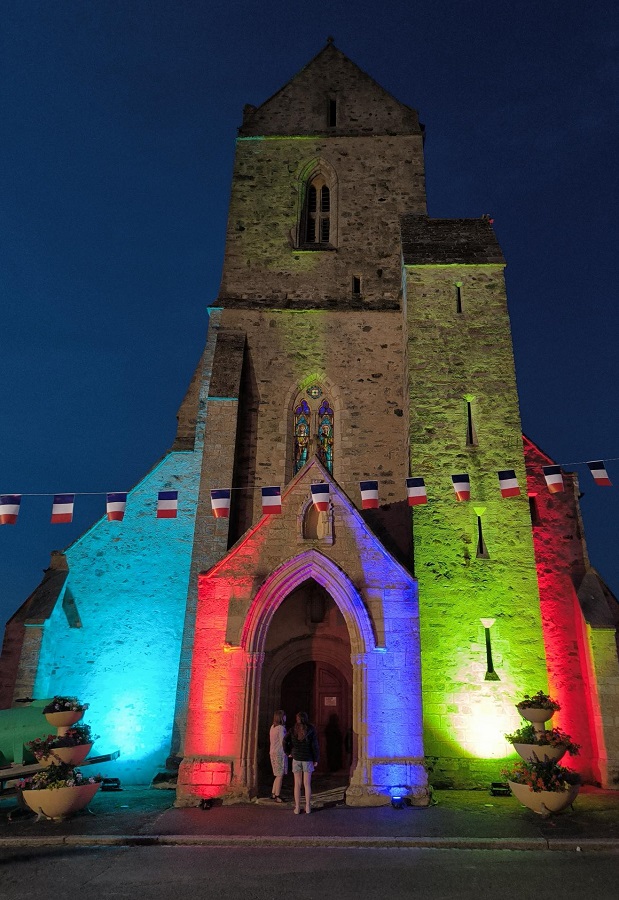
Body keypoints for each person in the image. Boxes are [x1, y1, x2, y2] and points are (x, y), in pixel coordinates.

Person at [283, 711, 319, 814]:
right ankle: (308, 807)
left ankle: (297, 807)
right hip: (308, 758)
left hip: (296, 758)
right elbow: (315, 746)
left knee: (297, 784)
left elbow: (285, 741)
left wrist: (288, 752)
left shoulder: (293, 729)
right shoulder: (311, 729)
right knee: (307, 784)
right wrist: (316, 759)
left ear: (297, 719)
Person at [269, 710, 287, 802]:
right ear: (281, 717)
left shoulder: (273, 727)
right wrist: (288, 751)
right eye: (284, 716)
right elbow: (283, 742)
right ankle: (278, 795)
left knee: (277, 774)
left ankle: (273, 793)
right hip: (279, 753)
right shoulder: (280, 728)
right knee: (280, 775)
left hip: (272, 752)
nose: (285, 717)